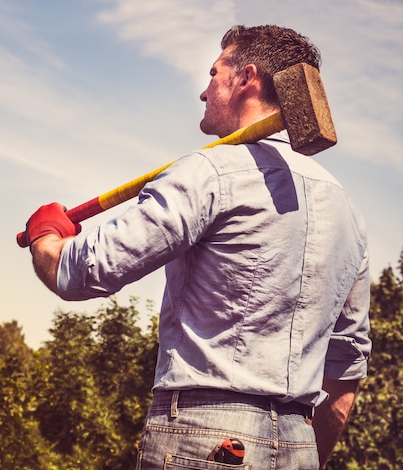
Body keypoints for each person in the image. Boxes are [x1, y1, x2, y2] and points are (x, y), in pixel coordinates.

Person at [20, 25, 371, 469]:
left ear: (246, 78)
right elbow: (344, 370)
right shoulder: (347, 209)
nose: (203, 93)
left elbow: (80, 272)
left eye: (213, 73)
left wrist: (45, 233)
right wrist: (303, 456)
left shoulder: (208, 171)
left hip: (204, 438)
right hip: (300, 445)